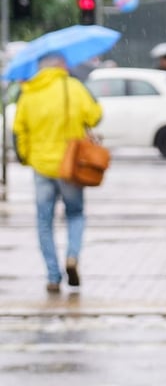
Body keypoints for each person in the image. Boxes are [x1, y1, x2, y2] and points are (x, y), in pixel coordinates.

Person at [13, 53, 103, 293]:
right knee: (75, 214)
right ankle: (72, 256)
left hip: (41, 166)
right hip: (70, 166)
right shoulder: (73, 87)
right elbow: (95, 116)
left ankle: (53, 276)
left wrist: (26, 157)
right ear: (60, 65)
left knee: (44, 222)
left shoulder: (29, 91)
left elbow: (19, 129)